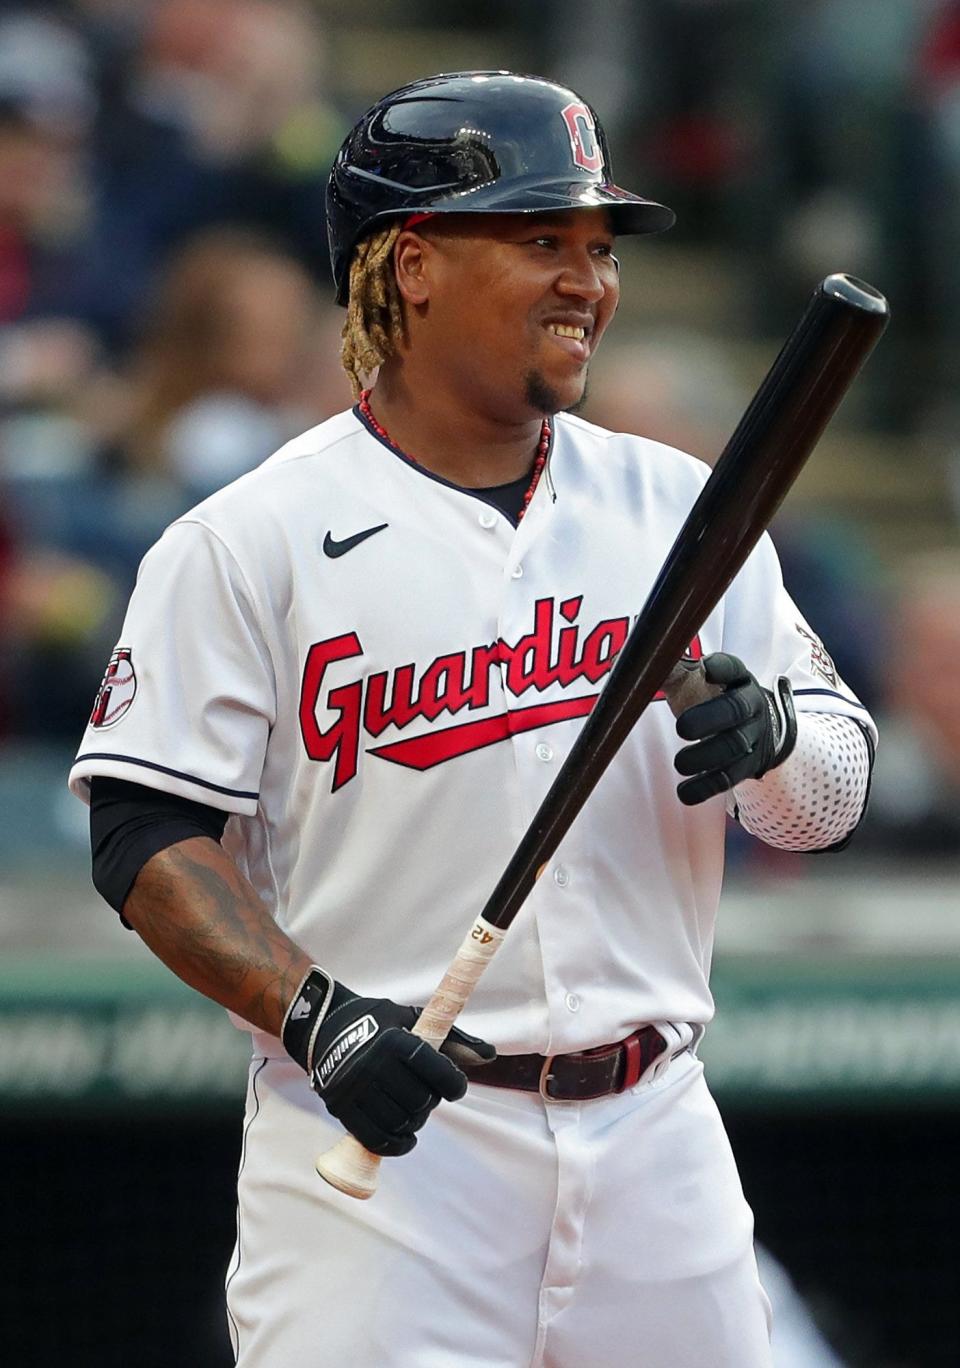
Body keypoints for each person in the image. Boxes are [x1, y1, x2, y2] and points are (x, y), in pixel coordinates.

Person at [68, 72, 877, 1367]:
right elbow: (144, 837)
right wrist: (316, 1015)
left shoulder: (684, 506)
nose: (587, 280)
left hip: (655, 1131)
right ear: (415, 265)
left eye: (598, 248)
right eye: (541, 239)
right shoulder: (248, 538)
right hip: (386, 1161)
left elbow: (834, 794)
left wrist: (775, 744)